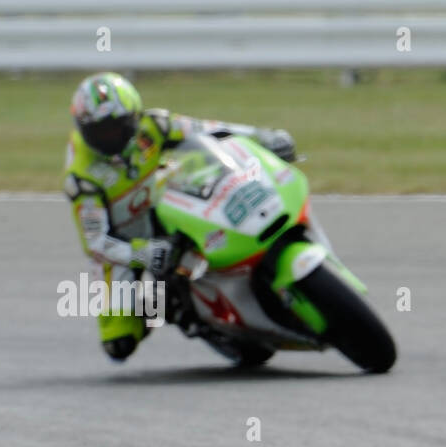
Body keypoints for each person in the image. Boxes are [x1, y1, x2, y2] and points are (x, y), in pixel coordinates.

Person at [62, 72, 297, 360]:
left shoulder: (155, 125)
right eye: (99, 132)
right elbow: (96, 243)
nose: (109, 138)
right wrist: (145, 255)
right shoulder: (82, 176)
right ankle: (169, 306)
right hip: (126, 241)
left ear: (134, 118)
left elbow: (210, 129)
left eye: (117, 128)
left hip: (168, 202)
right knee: (120, 344)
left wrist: (263, 137)